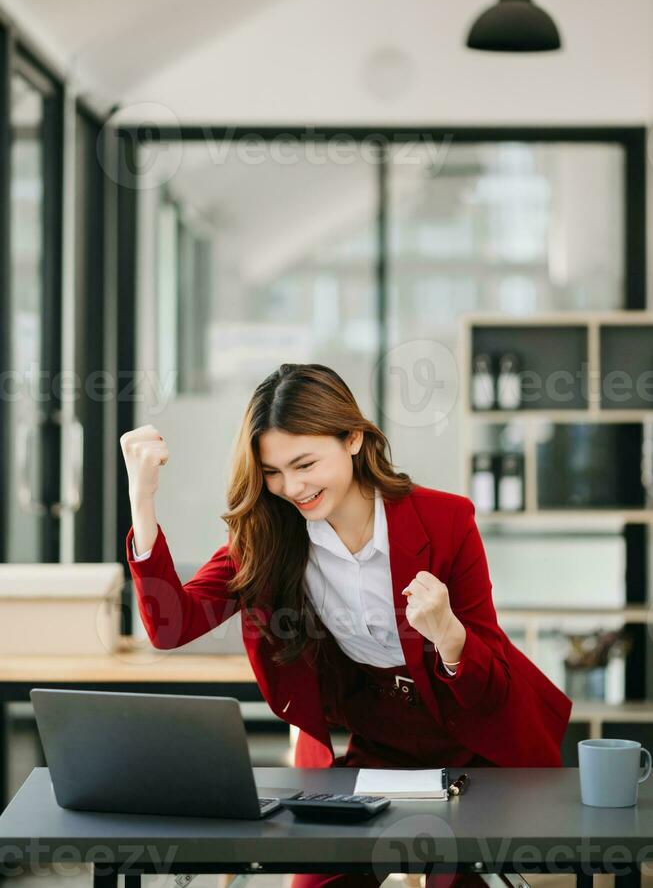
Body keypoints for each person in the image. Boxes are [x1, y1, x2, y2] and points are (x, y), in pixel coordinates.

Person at [121, 363, 572, 888]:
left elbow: (491, 686)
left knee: (455, 878)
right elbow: (170, 627)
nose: (292, 487)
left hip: (472, 745)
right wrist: (142, 498)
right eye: (272, 472)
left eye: (305, 463)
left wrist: (449, 633)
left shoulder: (446, 521)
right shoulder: (268, 539)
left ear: (353, 438)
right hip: (373, 747)